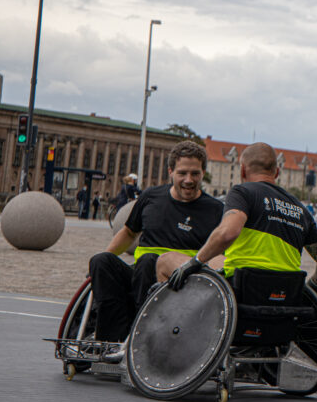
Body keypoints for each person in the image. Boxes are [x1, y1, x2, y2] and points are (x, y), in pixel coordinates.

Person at [87, 141, 224, 345]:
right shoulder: (152, 197)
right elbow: (128, 232)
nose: (189, 180)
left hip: (180, 281)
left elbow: (220, 253)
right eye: (182, 173)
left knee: (149, 261)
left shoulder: (214, 209)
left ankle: (140, 338)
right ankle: (107, 339)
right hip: (139, 273)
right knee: (100, 261)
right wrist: (107, 256)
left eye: (195, 174)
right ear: (171, 171)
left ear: (203, 173)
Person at [165, 142, 317, 295]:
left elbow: (227, 233)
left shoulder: (243, 193)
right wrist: (314, 284)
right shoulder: (300, 210)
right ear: (276, 172)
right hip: (286, 292)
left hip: (243, 288)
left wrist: (196, 261)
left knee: (164, 263)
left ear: (242, 170)